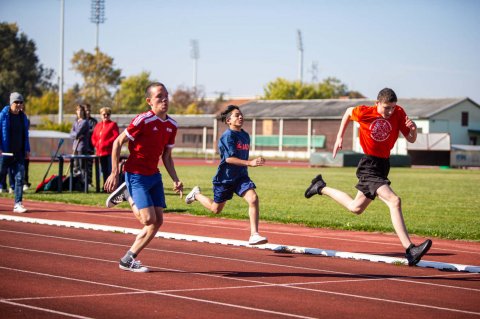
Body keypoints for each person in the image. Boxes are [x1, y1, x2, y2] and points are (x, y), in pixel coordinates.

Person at [304, 88, 432, 266]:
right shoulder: (366, 112)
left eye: (393, 108)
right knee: (394, 200)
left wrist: (414, 130)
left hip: (383, 165)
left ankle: (319, 186)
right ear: (377, 103)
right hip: (369, 165)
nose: (390, 112)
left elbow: (410, 139)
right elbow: (348, 112)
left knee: (355, 208)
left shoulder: (399, 112)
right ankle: (410, 249)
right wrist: (340, 137)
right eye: (386, 108)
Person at [104, 82, 184, 273]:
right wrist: (115, 172)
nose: (164, 99)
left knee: (158, 222)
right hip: (136, 174)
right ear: (149, 101)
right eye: (159, 96)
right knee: (147, 220)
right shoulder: (142, 120)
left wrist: (175, 179)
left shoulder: (172, 125)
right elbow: (117, 142)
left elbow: (166, 157)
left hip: (154, 175)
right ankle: (128, 195)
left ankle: (128, 259)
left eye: (166, 95)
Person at [185, 105, 268, 245]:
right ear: (229, 120)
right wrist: (249, 163)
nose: (241, 117)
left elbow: (242, 156)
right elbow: (229, 159)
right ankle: (196, 195)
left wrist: (253, 162)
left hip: (241, 177)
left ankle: (254, 234)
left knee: (253, 199)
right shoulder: (227, 136)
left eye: (241, 115)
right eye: (237, 115)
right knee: (215, 209)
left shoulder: (245, 135)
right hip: (225, 178)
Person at [0, 92, 30, 213]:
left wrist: (27, 149)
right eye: (16, 102)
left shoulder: (23, 117)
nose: (19, 105)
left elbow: (25, 135)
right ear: (11, 103)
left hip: (19, 153)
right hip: (4, 153)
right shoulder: (3, 116)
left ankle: (18, 203)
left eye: (20, 102)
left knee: (19, 178)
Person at [91, 107, 119, 190]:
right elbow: (93, 137)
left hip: (109, 152)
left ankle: (109, 187)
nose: (106, 116)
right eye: (104, 114)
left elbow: (115, 136)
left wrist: (106, 143)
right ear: (101, 115)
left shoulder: (113, 124)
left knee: (109, 170)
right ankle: (103, 186)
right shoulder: (98, 125)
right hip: (100, 152)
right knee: (102, 170)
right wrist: (96, 144)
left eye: (108, 114)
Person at [69, 104, 90, 178]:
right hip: (75, 146)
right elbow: (71, 134)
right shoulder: (75, 122)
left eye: (81, 110)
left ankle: (84, 183)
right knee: (75, 166)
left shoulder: (84, 122)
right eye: (78, 110)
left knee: (82, 166)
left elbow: (77, 133)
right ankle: (76, 183)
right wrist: (75, 135)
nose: (79, 112)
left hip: (82, 147)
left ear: (83, 112)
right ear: (76, 112)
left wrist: (75, 135)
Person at [84, 103, 97, 186]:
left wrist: (85, 132)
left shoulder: (93, 121)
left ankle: (89, 182)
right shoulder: (79, 120)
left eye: (89, 110)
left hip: (90, 146)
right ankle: (81, 181)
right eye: (86, 110)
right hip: (81, 147)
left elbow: (95, 131)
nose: (88, 112)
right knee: (80, 165)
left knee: (89, 165)